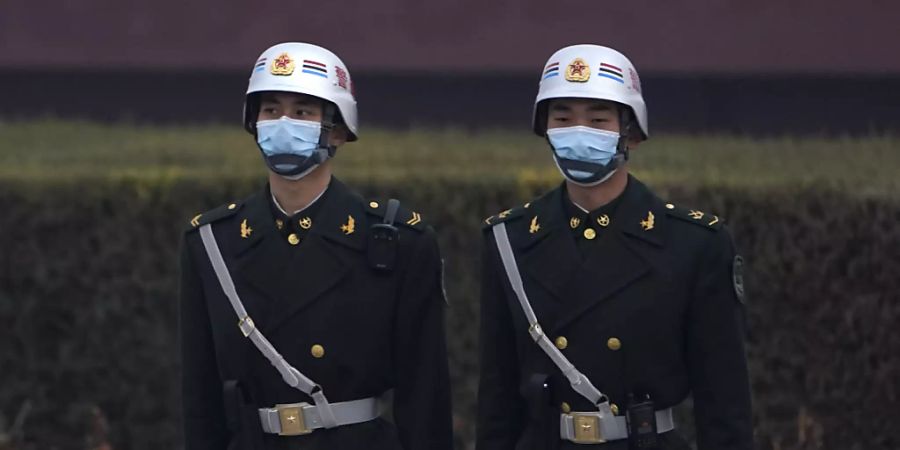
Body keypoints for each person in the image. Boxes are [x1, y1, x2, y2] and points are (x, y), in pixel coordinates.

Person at [476, 44, 752, 450]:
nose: (578, 131)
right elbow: (497, 400)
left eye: (599, 119)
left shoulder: (694, 244)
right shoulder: (511, 239)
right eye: (563, 117)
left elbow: (724, 403)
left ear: (632, 134)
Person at [179, 42, 452, 450]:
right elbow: (200, 399)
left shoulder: (398, 242)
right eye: (271, 110)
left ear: (339, 130)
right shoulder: (212, 241)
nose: (283, 123)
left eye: (303, 112)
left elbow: (425, 399)